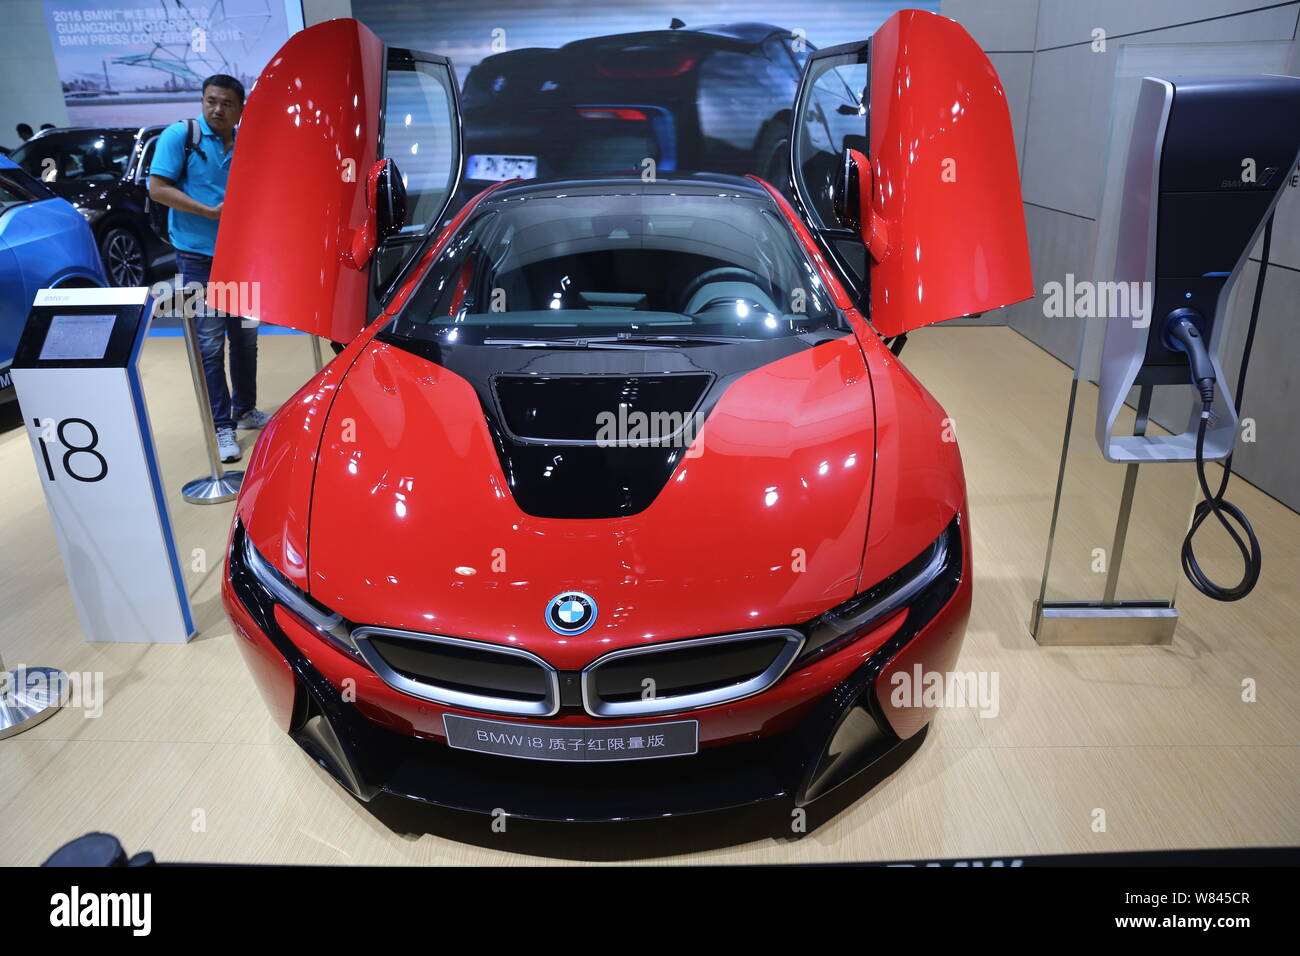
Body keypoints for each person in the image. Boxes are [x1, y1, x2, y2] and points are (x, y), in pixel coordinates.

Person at [148, 73, 269, 464]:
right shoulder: (180, 137)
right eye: (211, 101)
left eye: (227, 103)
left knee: (246, 339)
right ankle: (222, 425)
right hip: (198, 258)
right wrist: (208, 212)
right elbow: (157, 188)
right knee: (211, 343)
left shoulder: (249, 142)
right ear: (202, 101)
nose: (217, 109)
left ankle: (245, 409)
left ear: (240, 109)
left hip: (242, 256)